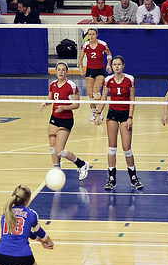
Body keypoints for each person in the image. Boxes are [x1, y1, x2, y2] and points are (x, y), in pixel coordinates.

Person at [94, 56, 144, 190]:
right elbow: (104, 97)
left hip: (125, 115)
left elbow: (132, 99)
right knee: (112, 148)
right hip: (112, 114)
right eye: (114, 64)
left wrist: (130, 117)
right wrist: (98, 114)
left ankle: (133, 178)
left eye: (119, 64)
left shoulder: (130, 79)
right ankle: (111, 179)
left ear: (123, 66)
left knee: (127, 148)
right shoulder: (108, 80)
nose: (116, 66)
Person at [40, 62, 90, 181]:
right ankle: (57, 171)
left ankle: (82, 164)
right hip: (54, 118)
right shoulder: (52, 84)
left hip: (66, 120)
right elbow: (50, 99)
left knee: (60, 150)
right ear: (56, 71)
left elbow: (77, 104)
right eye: (59, 70)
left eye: (63, 70)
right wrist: (45, 103)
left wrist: (64, 107)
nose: (61, 72)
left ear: (66, 72)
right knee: (52, 148)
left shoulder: (71, 86)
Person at [78, 28, 113, 122]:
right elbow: (80, 59)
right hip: (90, 71)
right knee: (90, 94)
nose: (91, 36)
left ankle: (99, 112)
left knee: (96, 91)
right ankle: (94, 111)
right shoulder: (85, 45)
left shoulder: (102, 44)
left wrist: (109, 64)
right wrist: (81, 69)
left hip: (100, 71)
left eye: (93, 34)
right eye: (90, 34)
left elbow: (109, 54)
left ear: (97, 34)